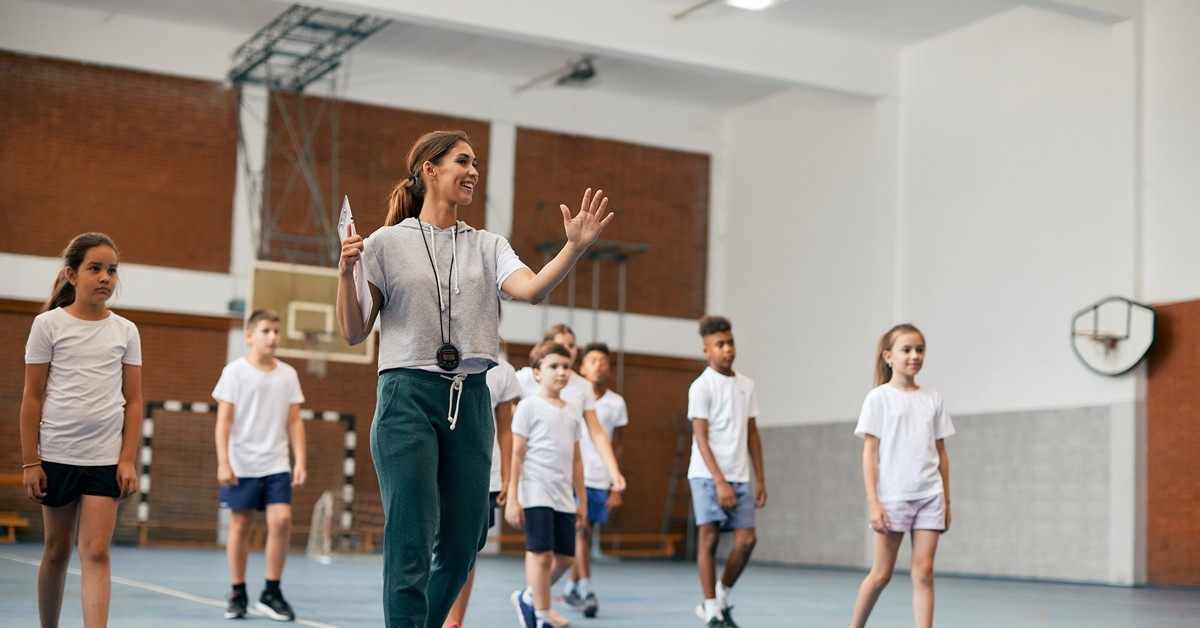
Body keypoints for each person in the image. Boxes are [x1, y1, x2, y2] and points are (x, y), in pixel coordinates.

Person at [335, 130, 622, 627]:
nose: (472, 170)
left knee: (466, 541)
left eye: (475, 162)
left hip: (470, 398)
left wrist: (573, 247)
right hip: (406, 397)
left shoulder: (489, 246)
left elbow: (530, 288)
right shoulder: (383, 243)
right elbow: (354, 332)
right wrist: (345, 273)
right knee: (411, 537)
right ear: (430, 169)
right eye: (462, 161)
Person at [20, 232, 142, 628]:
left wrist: (126, 460)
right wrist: (30, 462)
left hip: (104, 460)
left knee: (96, 551)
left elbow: (134, 402)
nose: (106, 277)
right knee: (57, 550)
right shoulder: (48, 325)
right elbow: (32, 398)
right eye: (95, 268)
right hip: (56, 456)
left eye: (112, 270)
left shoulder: (126, 331)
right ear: (71, 274)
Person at [850, 324, 954, 628]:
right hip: (893, 496)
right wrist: (873, 502)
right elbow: (870, 453)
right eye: (906, 350)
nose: (914, 356)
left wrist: (946, 500)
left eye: (919, 349)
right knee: (881, 573)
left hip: (929, 496)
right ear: (888, 356)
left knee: (924, 573)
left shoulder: (933, 398)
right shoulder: (879, 398)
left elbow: (942, 453)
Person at [212, 309, 307, 621]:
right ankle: (238, 592)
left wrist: (300, 460)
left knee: (281, 521)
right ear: (250, 335)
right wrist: (224, 462)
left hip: (276, 462)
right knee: (240, 525)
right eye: (266, 331)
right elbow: (223, 422)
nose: (273, 337)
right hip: (241, 464)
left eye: (276, 331)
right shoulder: (234, 372)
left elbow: (295, 421)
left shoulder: (288, 374)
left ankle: (271, 591)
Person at [687, 315, 766, 628]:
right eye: (720, 345)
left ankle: (720, 596)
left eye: (730, 342)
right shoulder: (701, 387)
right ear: (707, 351)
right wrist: (719, 481)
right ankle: (710, 609)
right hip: (707, 477)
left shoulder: (746, 385)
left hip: (741, 475)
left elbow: (753, 434)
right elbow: (701, 438)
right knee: (708, 541)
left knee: (746, 541)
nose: (727, 349)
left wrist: (760, 478)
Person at [505, 342, 587, 628]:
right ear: (537, 373)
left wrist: (582, 501)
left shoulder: (574, 411)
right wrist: (513, 497)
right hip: (536, 490)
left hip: (564, 495)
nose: (561, 372)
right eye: (553, 366)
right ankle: (541, 617)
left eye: (566, 367)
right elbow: (516, 453)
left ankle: (529, 596)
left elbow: (577, 459)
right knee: (541, 554)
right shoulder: (528, 407)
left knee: (565, 557)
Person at [443, 342, 522, 628]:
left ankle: (454, 620)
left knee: (466, 549)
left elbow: (506, 430)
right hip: (444, 466)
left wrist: (507, 478)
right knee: (436, 543)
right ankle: (430, 612)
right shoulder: (443, 359)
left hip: (484, 472)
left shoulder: (504, 372)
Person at [561, 342, 628, 618]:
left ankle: (569, 587)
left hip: (601, 479)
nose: (599, 365)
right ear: (582, 367)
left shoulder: (617, 402)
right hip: (575, 476)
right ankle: (586, 587)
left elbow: (618, 445)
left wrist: (615, 483)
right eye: (593, 360)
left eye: (604, 361)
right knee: (582, 530)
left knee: (584, 535)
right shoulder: (570, 395)